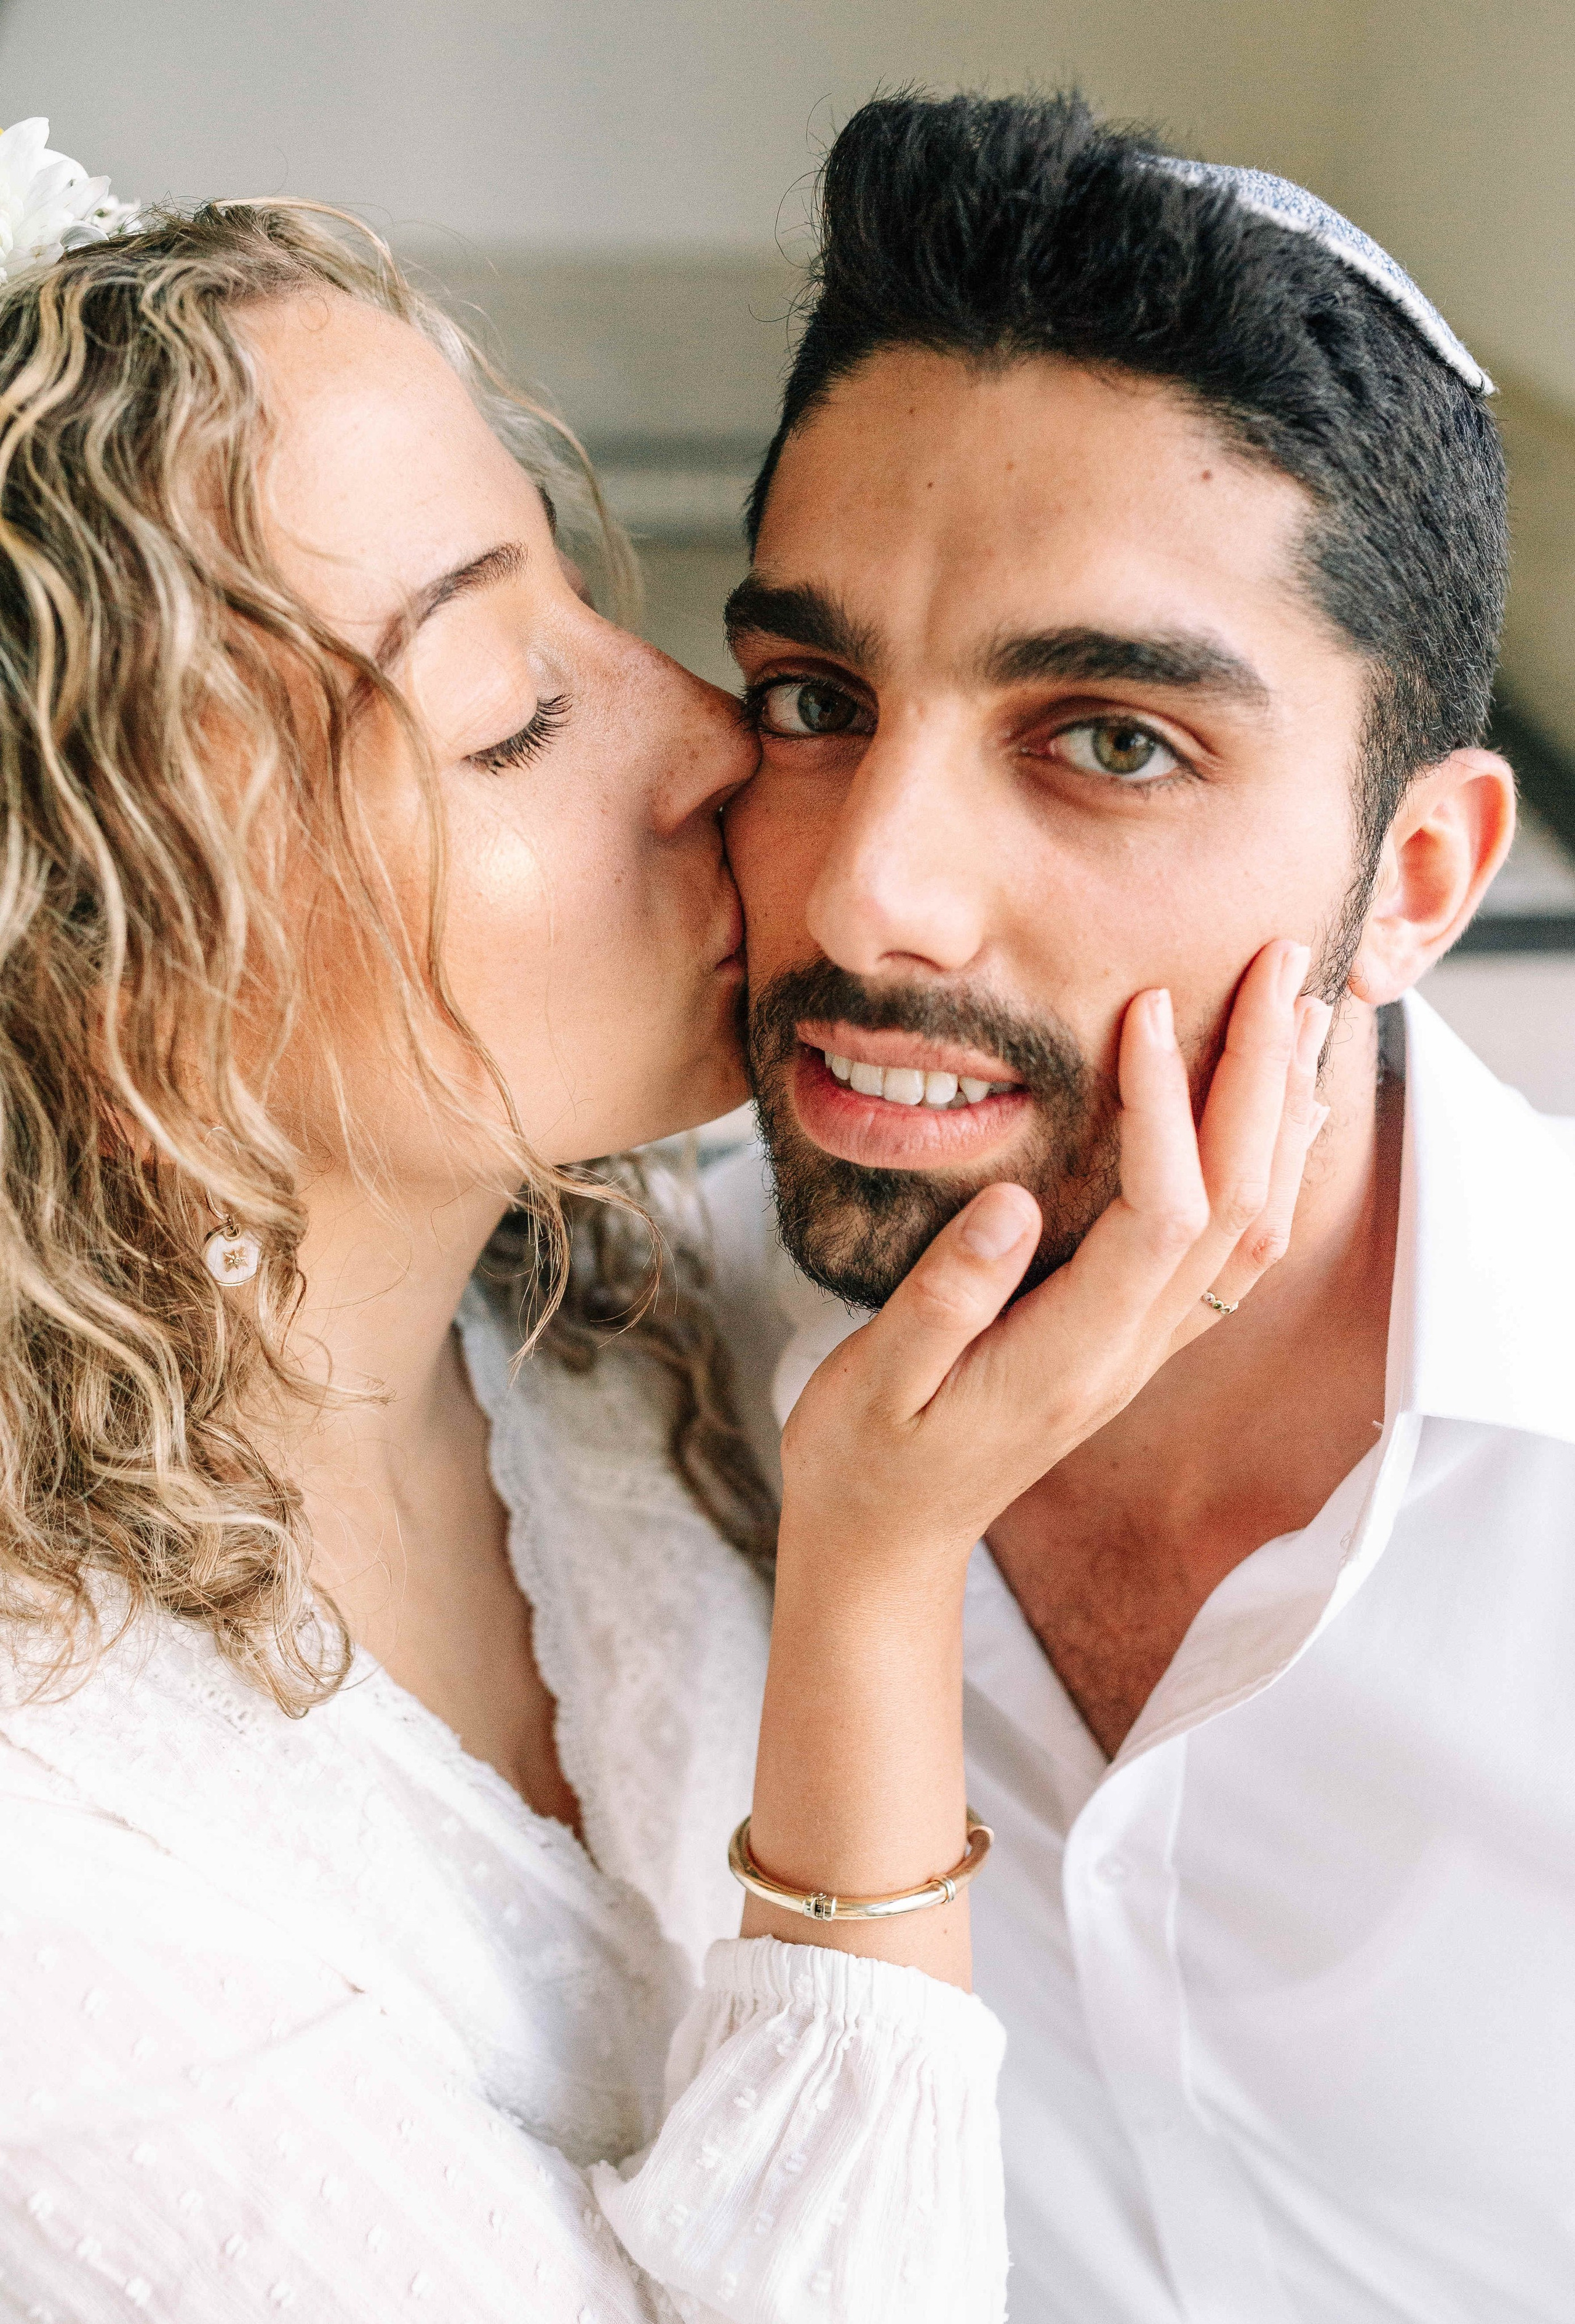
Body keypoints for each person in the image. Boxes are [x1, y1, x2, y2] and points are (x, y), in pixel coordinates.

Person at [0, 151, 1320, 2324]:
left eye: (585, 607)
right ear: (115, 972)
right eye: (510, 713)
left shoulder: (608, 1326)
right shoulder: (58, 1894)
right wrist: (876, 1580)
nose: (708, 741)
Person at [705, 92, 1575, 2324]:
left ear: (1418, 880)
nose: (869, 889)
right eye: (814, 698)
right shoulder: (629, 1345)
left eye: (1109, 739)